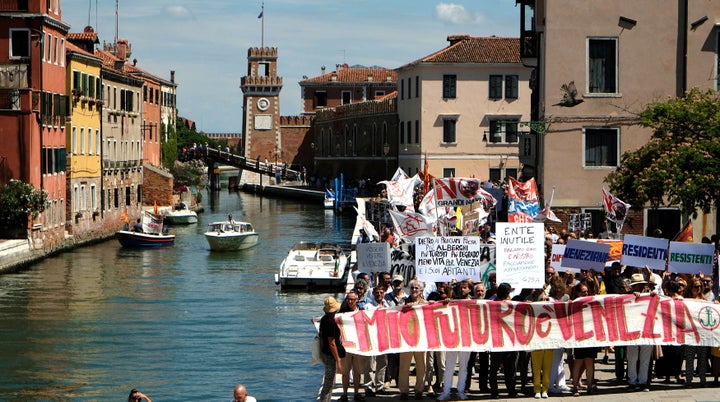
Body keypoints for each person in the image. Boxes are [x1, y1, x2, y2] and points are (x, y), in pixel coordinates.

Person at [397, 280, 427, 400]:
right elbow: (395, 312)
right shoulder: (403, 301)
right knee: (404, 366)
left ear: (421, 291)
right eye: (412, 288)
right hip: (406, 338)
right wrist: (405, 307)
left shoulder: (425, 303)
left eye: (416, 288)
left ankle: (419, 390)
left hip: (421, 338)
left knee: (421, 366)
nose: (414, 290)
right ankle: (404, 391)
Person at [489, 283, 519, 399]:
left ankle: (495, 392)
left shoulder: (491, 304)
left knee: (495, 368)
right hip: (508, 340)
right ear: (507, 294)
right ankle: (511, 391)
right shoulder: (510, 305)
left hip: (497, 340)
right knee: (510, 368)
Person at [338, 290, 366, 402]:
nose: (350, 301)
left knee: (357, 372)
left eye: (352, 299)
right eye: (348, 299)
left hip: (358, 346)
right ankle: (344, 394)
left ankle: (356, 393)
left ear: (357, 300)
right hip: (346, 347)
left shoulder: (363, 312)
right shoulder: (342, 312)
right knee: (345, 372)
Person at [318, 296, 345, 402]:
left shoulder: (324, 319)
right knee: (329, 384)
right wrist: (338, 360)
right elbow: (332, 343)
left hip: (325, 353)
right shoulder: (330, 322)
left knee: (329, 383)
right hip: (330, 356)